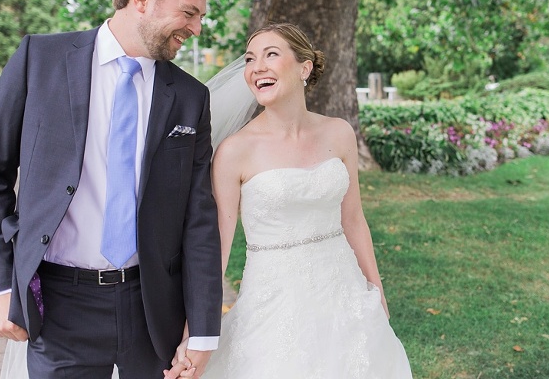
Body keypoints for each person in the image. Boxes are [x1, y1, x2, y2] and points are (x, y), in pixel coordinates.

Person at [0, 0, 223, 379]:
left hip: (151, 307)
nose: (197, 28)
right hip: (59, 306)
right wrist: (0, 285)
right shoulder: (38, 59)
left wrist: (201, 330)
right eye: (189, 12)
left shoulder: (189, 97)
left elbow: (198, 218)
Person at [167, 22, 413, 378]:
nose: (257, 67)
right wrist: (196, 331)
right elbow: (216, 246)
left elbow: (354, 219)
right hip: (274, 305)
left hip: (345, 296)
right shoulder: (235, 151)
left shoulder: (339, 133)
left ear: (304, 67)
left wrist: (377, 292)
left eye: (271, 54)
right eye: (250, 59)